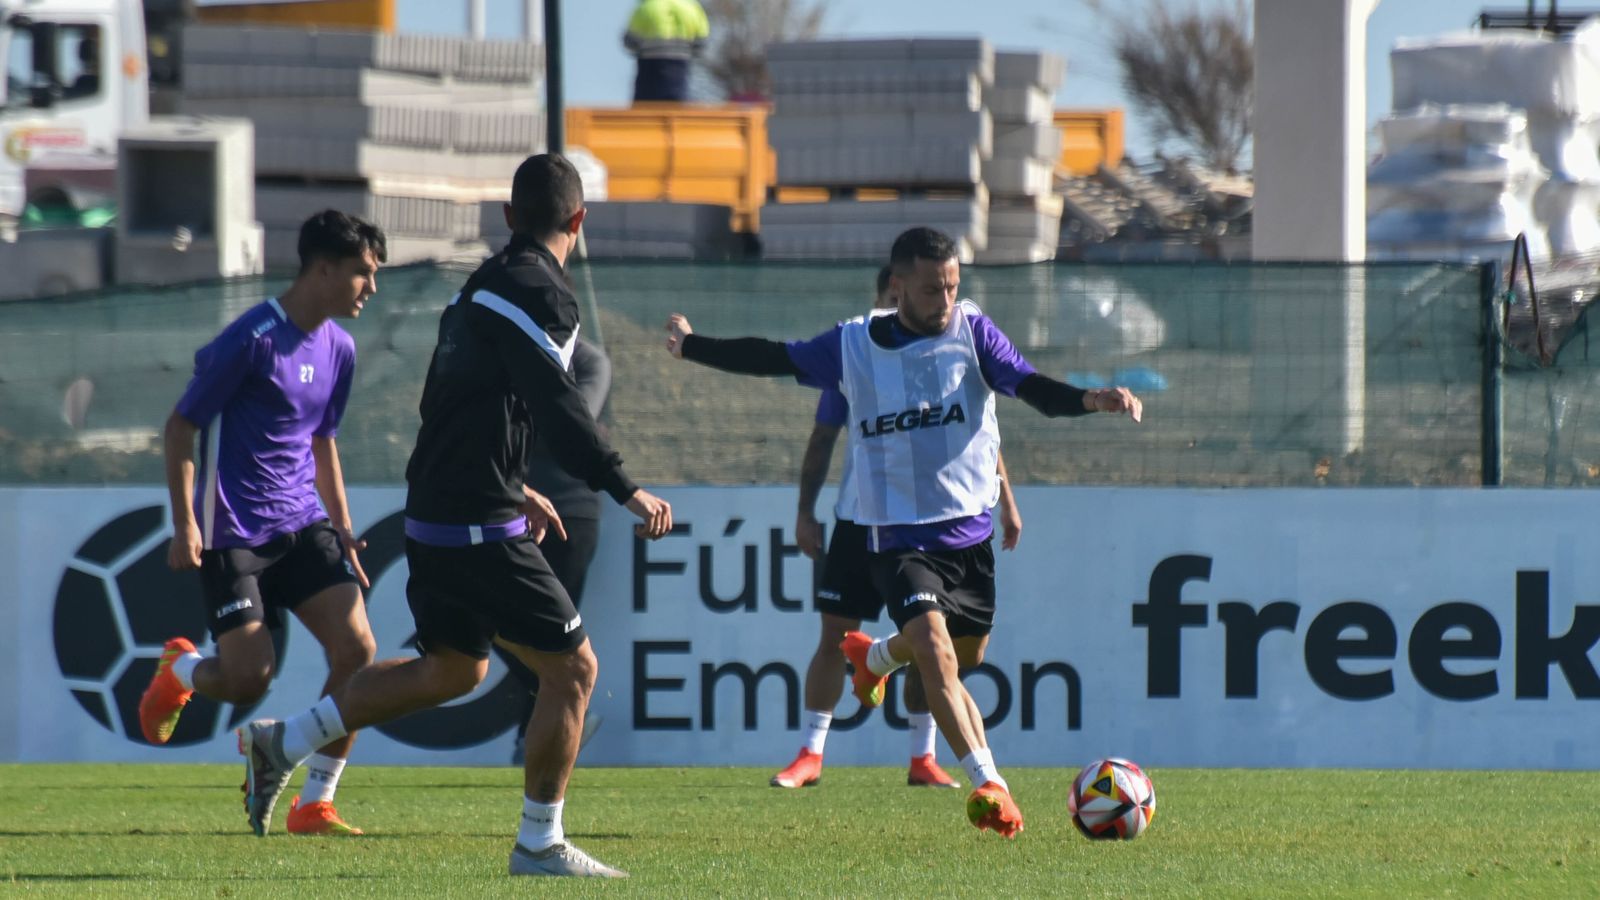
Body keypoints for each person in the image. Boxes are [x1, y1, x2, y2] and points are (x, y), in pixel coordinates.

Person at [237, 154, 672, 878]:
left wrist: (510, 483)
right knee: (573, 671)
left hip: (438, 513)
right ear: (580, 222)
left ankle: (280, 744)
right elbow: (561, 413)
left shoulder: (477, 290)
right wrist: (628, 489)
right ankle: (538, 843)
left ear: (508, 217)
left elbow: (451, 404)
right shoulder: (544, 295)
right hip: (475, 525)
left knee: (453, 669)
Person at [666, 227, 1142, 838]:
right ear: (897, 287)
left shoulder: (974, 332)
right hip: (897, 539)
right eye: (929, 289)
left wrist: (1091, 399)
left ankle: (877, 657)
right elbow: (771, 357)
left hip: (969, 539)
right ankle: (988, 783)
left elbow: (1033, 390)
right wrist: (692, 346)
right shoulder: (853, 344)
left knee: (960, 658)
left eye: (951, 285)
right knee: (938, 657)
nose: (943, 299)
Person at [139, 209, 387, 837]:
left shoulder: (341, 348)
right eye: (362, 273)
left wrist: (344, 528)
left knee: (357, 650)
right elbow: (181, 427)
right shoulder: (252, 337)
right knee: (251, 679)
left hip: (303, 524)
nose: (371, 287)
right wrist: (185, 524)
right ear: (322, 268)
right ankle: (180, 670)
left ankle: (315, 802)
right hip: (235, 534)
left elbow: (323, 441)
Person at [773, 265, 1023, 791]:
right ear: (892, 293)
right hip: (859, 521)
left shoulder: (948, 352)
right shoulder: (862, 356)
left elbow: (976, 434)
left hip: (927, 525)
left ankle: (921, 755)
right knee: (835, 635)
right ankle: (811, 753)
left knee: (949, 646)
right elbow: (822, 438)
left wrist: (1007, 500)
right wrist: (804, 510)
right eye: (899, 295)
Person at [501, 337, 612, 765]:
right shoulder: (505, 346)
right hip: (504, 505)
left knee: (549, 632)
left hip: (570, 511)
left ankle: (532, 743)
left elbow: (570, 426)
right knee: (489, 620)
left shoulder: (587, 359)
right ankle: (552, 723)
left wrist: (510, 420)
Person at [623, 0, 709, 103]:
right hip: (680, 65)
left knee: (645, 106)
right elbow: (701, 43)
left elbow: (630, 41)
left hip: (649, 65)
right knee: (676, 104)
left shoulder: (645, 7)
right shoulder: (692, 8)